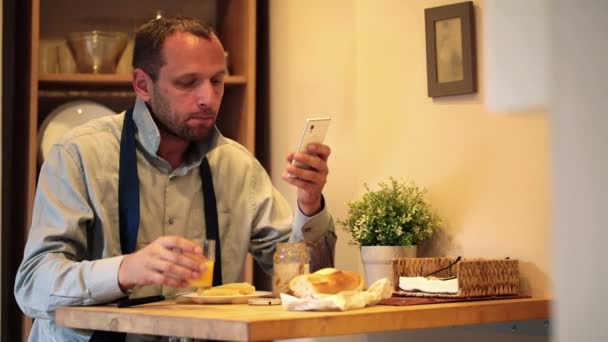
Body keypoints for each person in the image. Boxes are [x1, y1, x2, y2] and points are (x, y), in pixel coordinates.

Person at [14, 16, 336, 341]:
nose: (207, 98)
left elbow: (309, 281)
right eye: (188, 82)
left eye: (217, 81)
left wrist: (309, 204)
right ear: (142, 85)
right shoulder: (77, 155)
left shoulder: (238, 166)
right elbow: (32, 285)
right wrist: (125, 270)